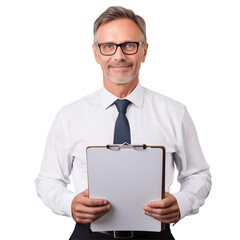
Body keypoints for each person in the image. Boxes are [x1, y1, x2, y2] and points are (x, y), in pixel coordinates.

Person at [35, 6, 211, 239]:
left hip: (156, 234)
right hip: (90, 234)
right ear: (97, 54)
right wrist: (70, 204)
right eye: (108, 46)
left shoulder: (174, 113)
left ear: (144, 52)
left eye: (129, 45)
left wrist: (182, 202)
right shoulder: (69, 116)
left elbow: (198, 174)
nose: (119, 56)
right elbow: (48, 180)